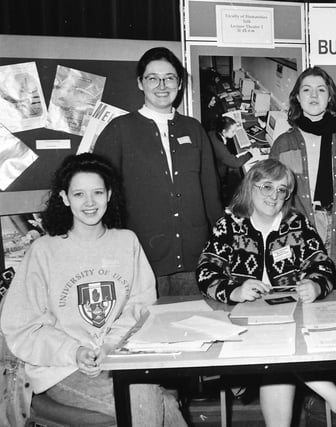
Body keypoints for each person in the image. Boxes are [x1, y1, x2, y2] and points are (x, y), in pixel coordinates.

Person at [0, 153, 187, 426]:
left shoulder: (126, 242)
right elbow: (22, 326)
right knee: (149, 402)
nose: (89, 203)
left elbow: (141, 306)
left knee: (152, 399)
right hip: (63, 368)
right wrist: (74, 351)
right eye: (79, 194)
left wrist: (111, 344)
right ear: (65, 198)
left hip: (118, 359)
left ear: (109, 195)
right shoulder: (44, 251)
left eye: (97, 192)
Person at [197, 159, 336, 427]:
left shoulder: (296, 223)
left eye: (282, 190)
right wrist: (234, 290)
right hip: (242, 324)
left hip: (291, 319)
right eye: (267, 186)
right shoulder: (229, 225)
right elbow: (206, 271)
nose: (274, 195)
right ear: (250, 186)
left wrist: (315, 284)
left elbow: (322, 265)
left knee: (282, 353)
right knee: (281, 354)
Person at [94, 46, 223, 297]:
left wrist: (218, 245)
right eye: (153, 78)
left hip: (194, 258)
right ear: (140, 83)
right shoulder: (119, 130)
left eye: (169, 78)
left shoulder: (194, 129)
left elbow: (210, 191)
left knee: (196, 326)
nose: (162, 85)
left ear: (180, 83)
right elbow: (103, 193)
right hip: (142, 259)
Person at [269, 66, 336, 287]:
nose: (313, 95)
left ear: (329, 97)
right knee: (308, 303)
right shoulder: (283, 144)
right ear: (297, 98)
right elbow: (272, 197)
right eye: (306, 90)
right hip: (301, 231)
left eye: (320, 90)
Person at [207, 115, 256, 205]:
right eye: (233, 131)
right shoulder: (220, 147)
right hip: (216, 172)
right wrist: (250, 154)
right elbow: (235, 163)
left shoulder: (213, 133)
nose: (235, 133)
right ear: (224, 131)